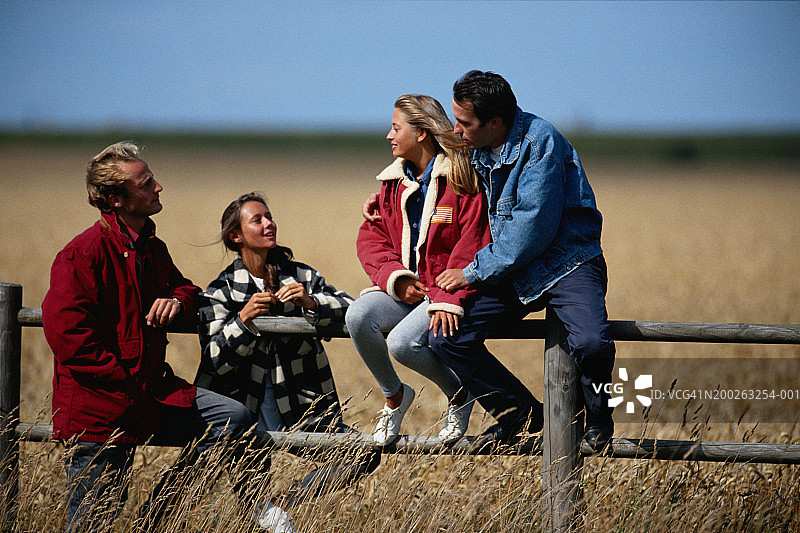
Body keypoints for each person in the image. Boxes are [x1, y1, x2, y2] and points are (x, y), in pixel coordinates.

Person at [41, 142, 295, 532]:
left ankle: (157, 517)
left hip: (151, 394)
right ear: (117, 200)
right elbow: (70, 340)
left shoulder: (152, 249)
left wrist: (176, 299)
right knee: (93, 522)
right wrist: (126, 383)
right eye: (146, 183)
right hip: (100, 410)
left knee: (231, 417)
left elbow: (190, 291)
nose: (158, 187)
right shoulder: (82, 255)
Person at [364, 71, 616, 453]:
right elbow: (432, 169)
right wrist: (387, 198)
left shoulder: (540, 143)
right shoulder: (473, 144)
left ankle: (597, 419)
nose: (456, 129)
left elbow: (530, 228)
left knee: (592, 343)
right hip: (514, 271)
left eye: (463, 122)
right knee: (448, 337)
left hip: (568, 264)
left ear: (494, 122)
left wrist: (470, 272)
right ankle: (524, 417)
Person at [195, 192, 380, 506]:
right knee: (250, 502)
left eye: (269, 216)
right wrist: (243, 321)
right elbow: (214, 362)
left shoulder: (301, 276)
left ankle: (285, 503)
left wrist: (310, 303)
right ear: (236, 236)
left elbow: (353, 310)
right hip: (243, 415)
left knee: (365, 452)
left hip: (302, 409)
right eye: (258, 220)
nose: (269, 224)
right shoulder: (221, 291)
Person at [346, 94, 491, 447]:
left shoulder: (461, 179)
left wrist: (444, 297)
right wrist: (396, 280)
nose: (388, 135)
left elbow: (471, 243)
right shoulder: (391, 185)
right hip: (409, 290)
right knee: (358, 315)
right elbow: (371, 240)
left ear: (422, 133)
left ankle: (458, 395)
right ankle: (394, 397)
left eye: (396, 128)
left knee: (401, 342)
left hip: (447, 295)